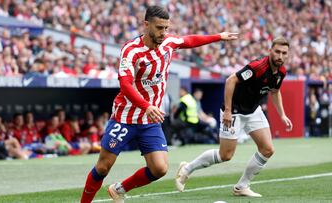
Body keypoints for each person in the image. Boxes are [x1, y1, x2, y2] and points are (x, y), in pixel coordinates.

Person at [80, 5, 238, 203]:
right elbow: (125, 85)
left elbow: (189, 40)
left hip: (150, 119)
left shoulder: (169, 43)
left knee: (160, 169)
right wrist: (146, 106)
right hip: (125, 117)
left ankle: (119, 189)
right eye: (159, 28)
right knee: (103, 167)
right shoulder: (131, 51)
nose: (164, 33)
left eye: (166, 28)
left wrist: (218, 36)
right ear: (146, 25)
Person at [175, 37, 293, 197]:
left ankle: (242, 186)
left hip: (253, 111)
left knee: (267, 149)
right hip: (234, 111)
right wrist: (229, 111)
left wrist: (283, 115)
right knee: (226, 155)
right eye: (277, 51)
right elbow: (231, 80)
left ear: (288, 55)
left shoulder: (281, 72)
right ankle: (187, 169)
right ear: (270, 51)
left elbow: (275, 91)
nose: (280, 56)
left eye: (284, 53)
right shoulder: (257, 67)